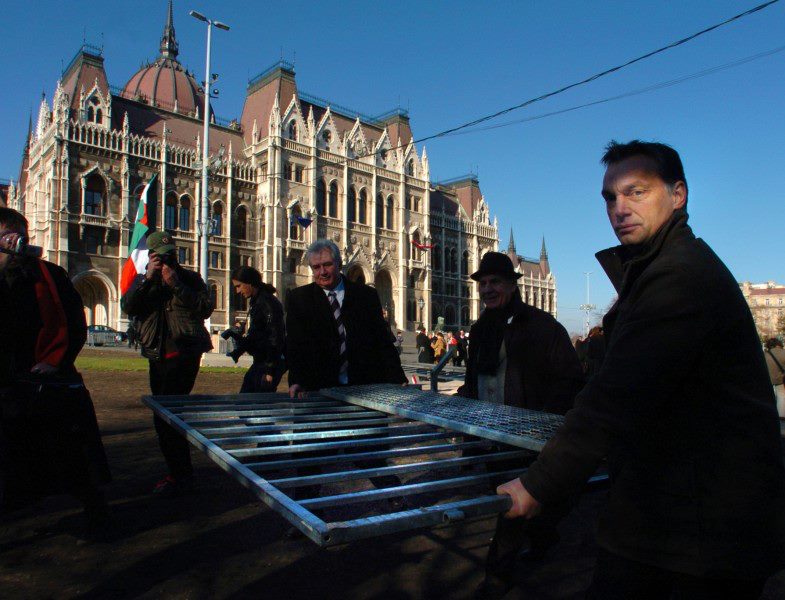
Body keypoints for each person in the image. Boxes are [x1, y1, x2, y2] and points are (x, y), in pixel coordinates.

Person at [497, 140, 785, 598]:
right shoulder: (665, 267)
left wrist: (538, 485)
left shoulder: (679, 276)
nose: (619, 208)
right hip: (681, 516)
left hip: (696, 529)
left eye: (636, 191)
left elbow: (614, 397)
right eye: (610, 197)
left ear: (678, 194)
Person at [456, 251, 583, 593]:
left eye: (495, 282)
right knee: (515, 497)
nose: (487, 289)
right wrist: (458, 413)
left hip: (527, 436)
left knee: (510, 508)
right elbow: (474, 381)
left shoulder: (543, 327)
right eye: (483, 283)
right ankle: (544, 537)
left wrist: (545, 422)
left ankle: (496, 577)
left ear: (513, 285)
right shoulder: (480, 329)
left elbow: (570, 379)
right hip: (490, 434)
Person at [0, 207, 112, 540]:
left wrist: (55, 361)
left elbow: (75, 325)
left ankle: (96, 513)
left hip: (46, 382)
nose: (14, 241)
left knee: (71, 455)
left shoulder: (49, 275)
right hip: (7, 384)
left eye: (17, 234)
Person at [286, 239, 408, 494]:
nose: (322, 272)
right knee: (310, 456)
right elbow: (295, 344)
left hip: (362, 386)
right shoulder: (299, 298)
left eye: (327, 265)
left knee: (369, 452)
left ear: (339, 263)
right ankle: (307, 509)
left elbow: (382, 339)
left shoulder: (366, 295)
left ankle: (393, 495)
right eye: (316, 267)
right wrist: (296, 379)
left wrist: (397, 377)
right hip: (319, 387)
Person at [121, 230, 213, 496]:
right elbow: (128, 306)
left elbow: (205, 307)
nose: (167, 260)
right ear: (151, 257)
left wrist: (176, 285)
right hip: (157, 354)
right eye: (161, 257)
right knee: (163, 415)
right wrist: (147, 279)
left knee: (168, 415)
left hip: (185, 354)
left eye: (171, 254)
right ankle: (179, 471)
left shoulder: (189, 279)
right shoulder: (145, 280)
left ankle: (180, 474)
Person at [229, 266, 286, 393]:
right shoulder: (258, 301)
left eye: (239, 286)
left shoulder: (266, 302)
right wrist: (239, 348)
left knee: (252, 399)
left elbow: (275, 337)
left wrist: (270, 371)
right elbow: (258, 335)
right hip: (263, 361)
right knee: (249, 398)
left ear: (249, 283)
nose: (238, 291)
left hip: (268, 363)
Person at [764, 337, 785, 418]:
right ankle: (781, 414)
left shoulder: (765, 354)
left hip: (767, 379)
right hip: (780, 379)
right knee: (781, 395)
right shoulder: (783, 352)